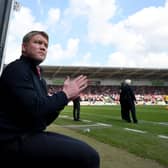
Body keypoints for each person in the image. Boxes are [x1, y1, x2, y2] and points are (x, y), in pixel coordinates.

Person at [0, 30, 100, 166]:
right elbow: (35, 108)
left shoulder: (40, 80)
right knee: (89, 157)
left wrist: (66, 99)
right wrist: (65, 95)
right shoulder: (16, 69)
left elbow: (43, 120)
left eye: (46, 45)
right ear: (24, 47)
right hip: (12, 140)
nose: (43, 47)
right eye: (37, 42)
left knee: (88, 153)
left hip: (30, 135)